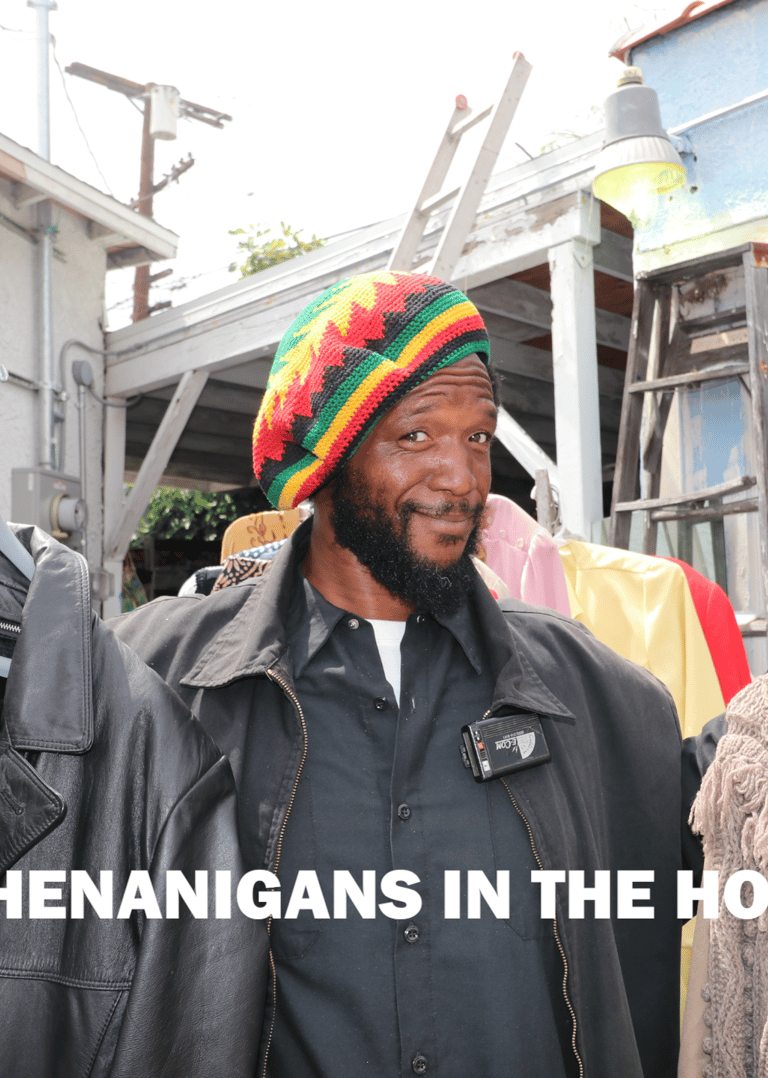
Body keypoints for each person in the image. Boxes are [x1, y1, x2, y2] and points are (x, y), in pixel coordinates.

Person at [112, 270, 711, 1078]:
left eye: (478, 437)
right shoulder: (160, 683)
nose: (463, 478)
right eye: (419, 435)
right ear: (324, 461)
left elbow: (718, 812)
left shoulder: (587, 692)